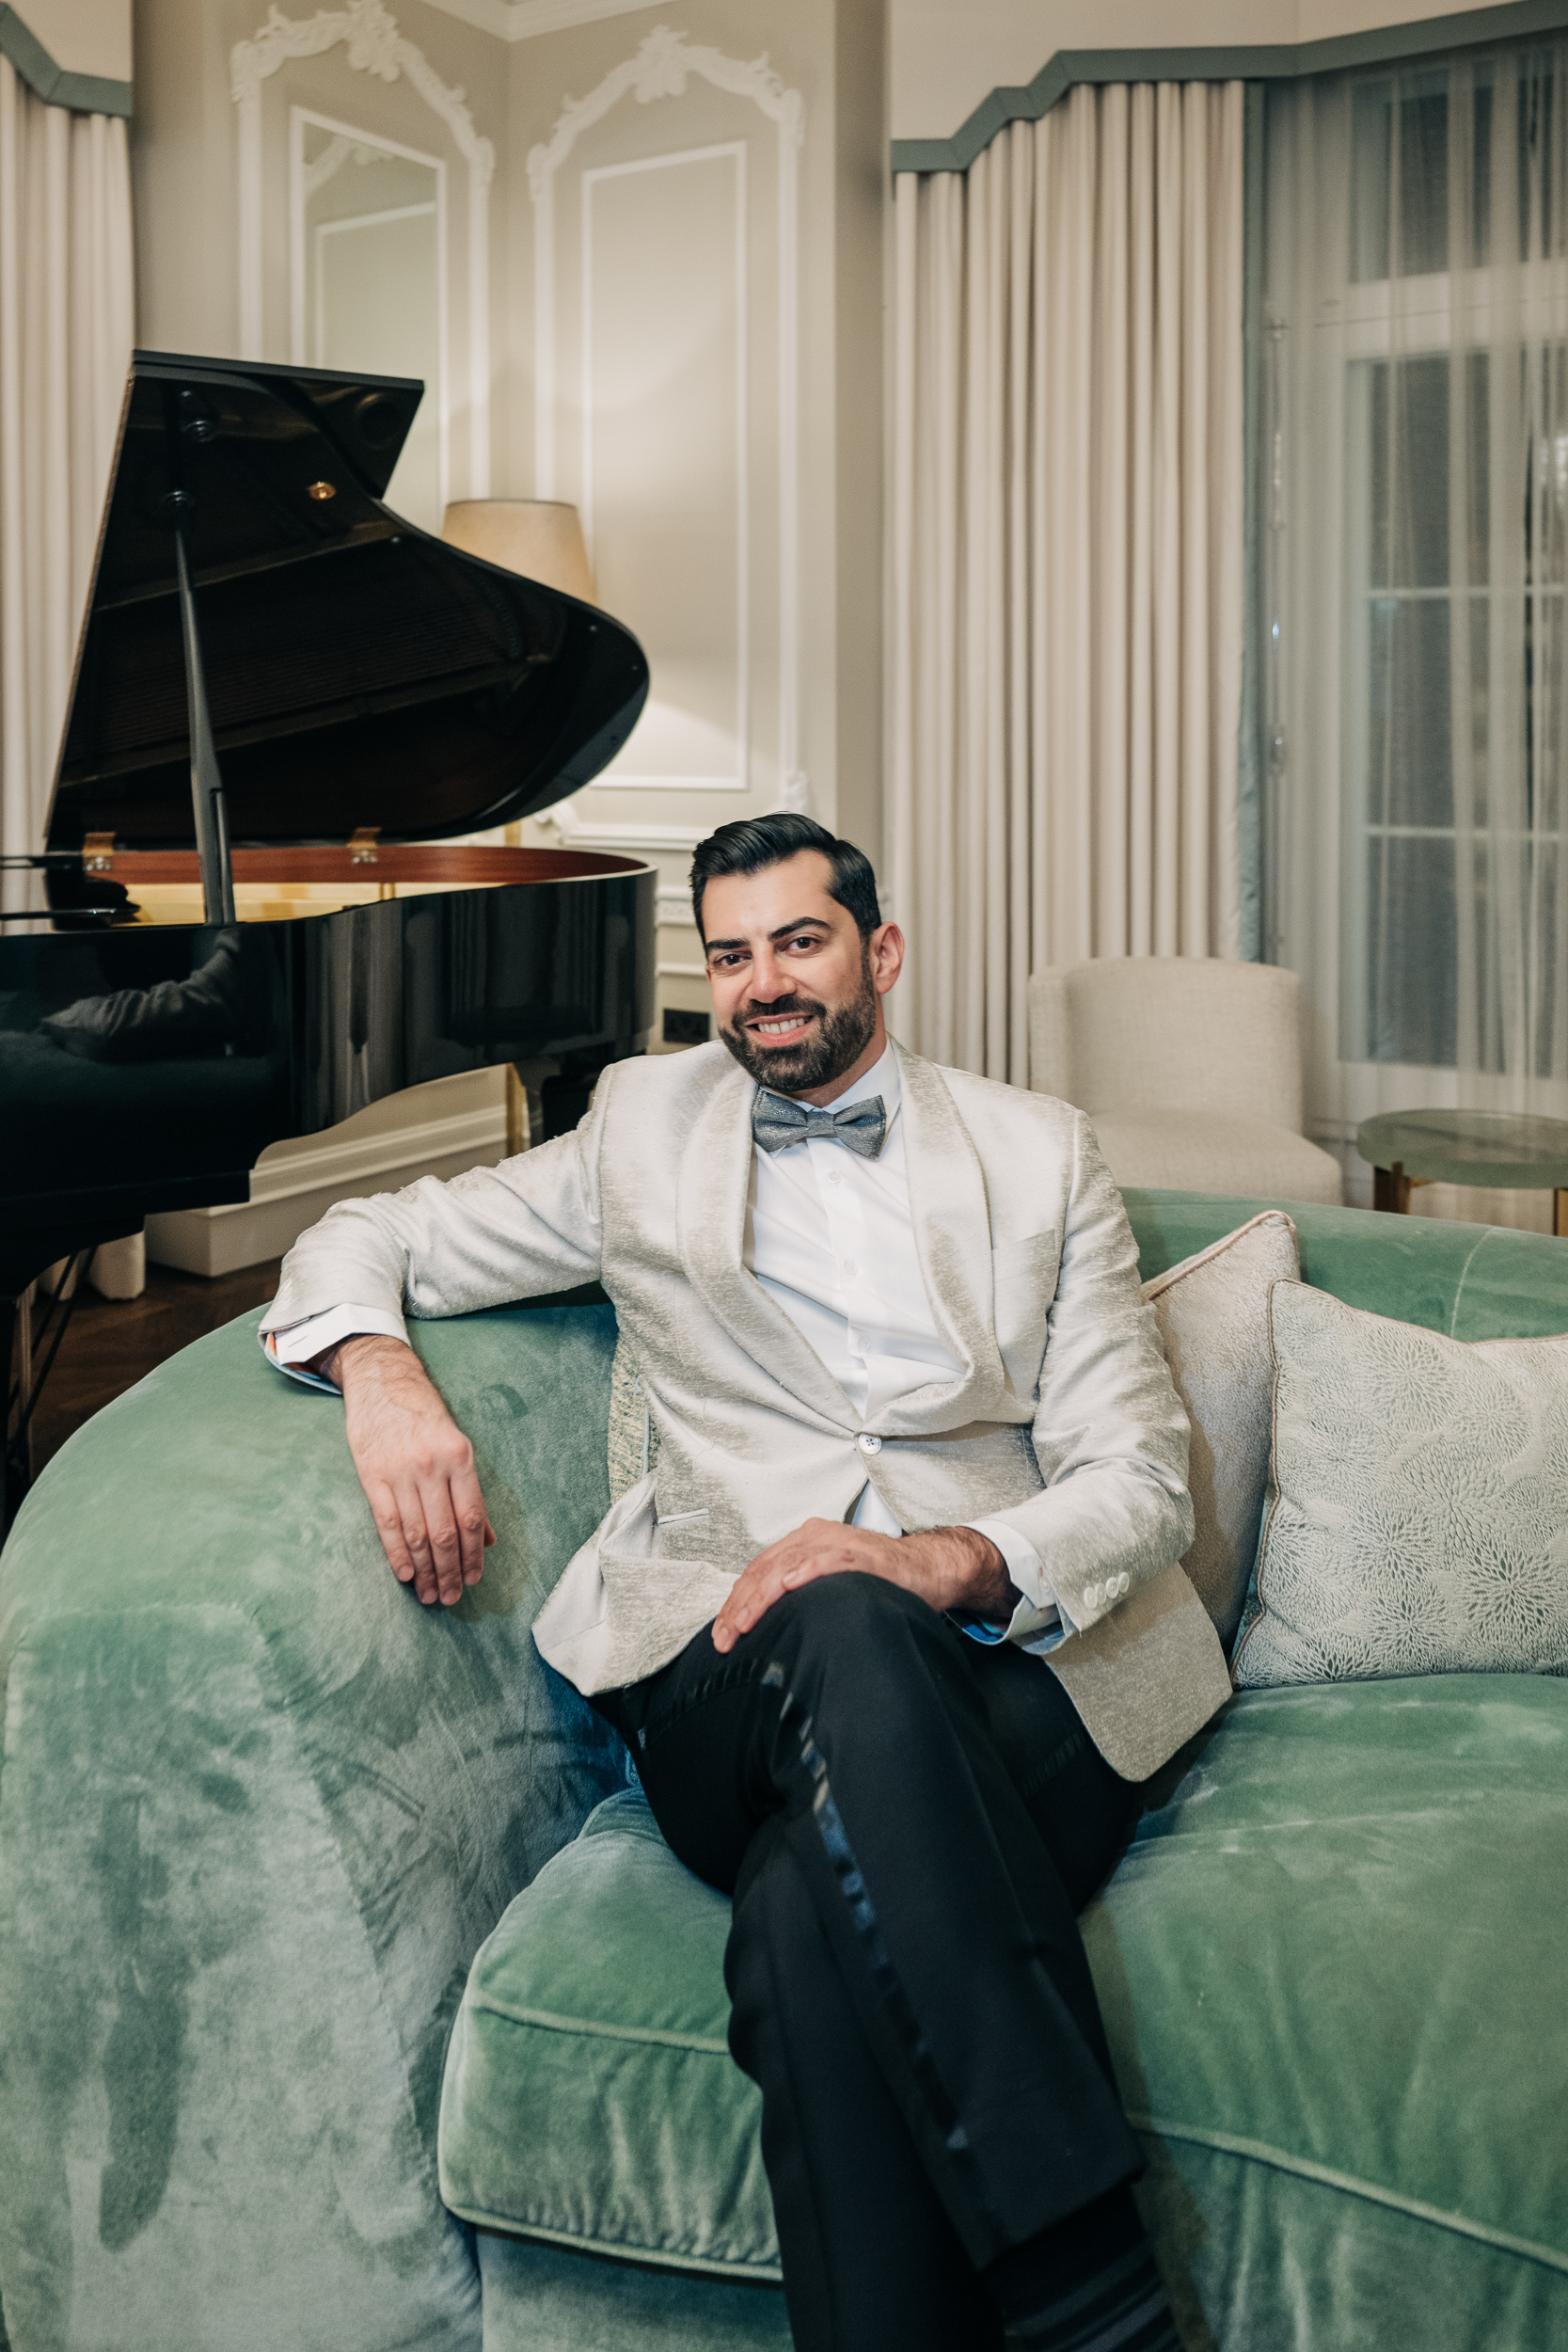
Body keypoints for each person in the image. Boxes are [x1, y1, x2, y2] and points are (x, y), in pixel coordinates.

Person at [261, 813, 1231, 2352]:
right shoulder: (641, 1127)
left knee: (805, 1919)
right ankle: (1093, 2298)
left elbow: (1144, 1479)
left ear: (880, 951)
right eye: (729, 953)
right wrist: (380, 1373)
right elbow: (373, 1229)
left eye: (799, 940)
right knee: (829, 1615)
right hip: (727, 1663)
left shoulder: (1040, 1151)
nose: (762, 983)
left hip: (1021, 1666)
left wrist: (943, 1559)